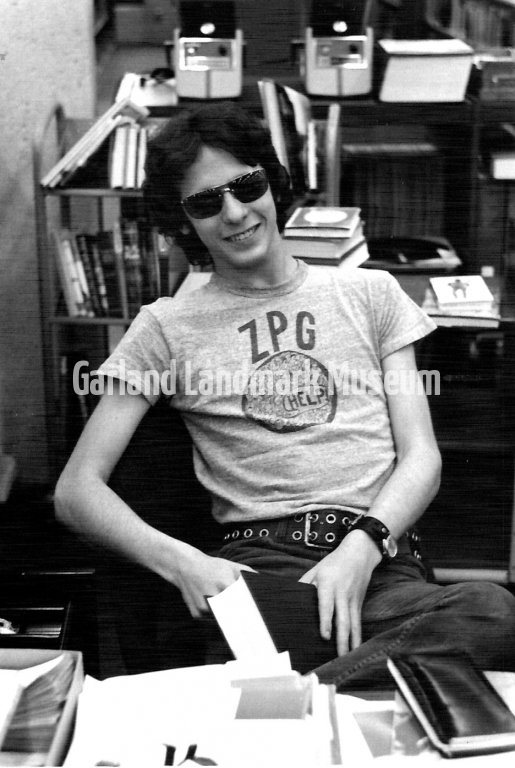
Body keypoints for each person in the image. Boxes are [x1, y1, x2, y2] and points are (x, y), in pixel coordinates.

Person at [55, 102, 515, 689]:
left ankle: (288, 690)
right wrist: (185, 564)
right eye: (205, 203)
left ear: (273, 183)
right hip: (263, 574)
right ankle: (350, 676)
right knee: (273, 631)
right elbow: (76, 491)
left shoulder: (371, 293)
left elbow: (421, 456)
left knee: (492, 612)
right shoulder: (166, 327)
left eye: (247, 186)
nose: (234, 212)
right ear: (183, 221)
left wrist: (362, 546)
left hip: (379, 567)